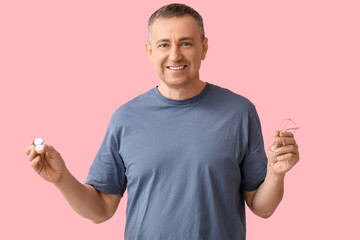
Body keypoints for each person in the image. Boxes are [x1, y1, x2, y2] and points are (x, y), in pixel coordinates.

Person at [25, 3, 300, 240]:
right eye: (164, 45)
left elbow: (262, 207)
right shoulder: (125, 118)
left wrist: (277, 174)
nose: (175, 55)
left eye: (186, 43)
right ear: (149, 51)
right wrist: (61, 180)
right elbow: (101, 209)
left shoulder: (240, 112)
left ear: (204, 48)